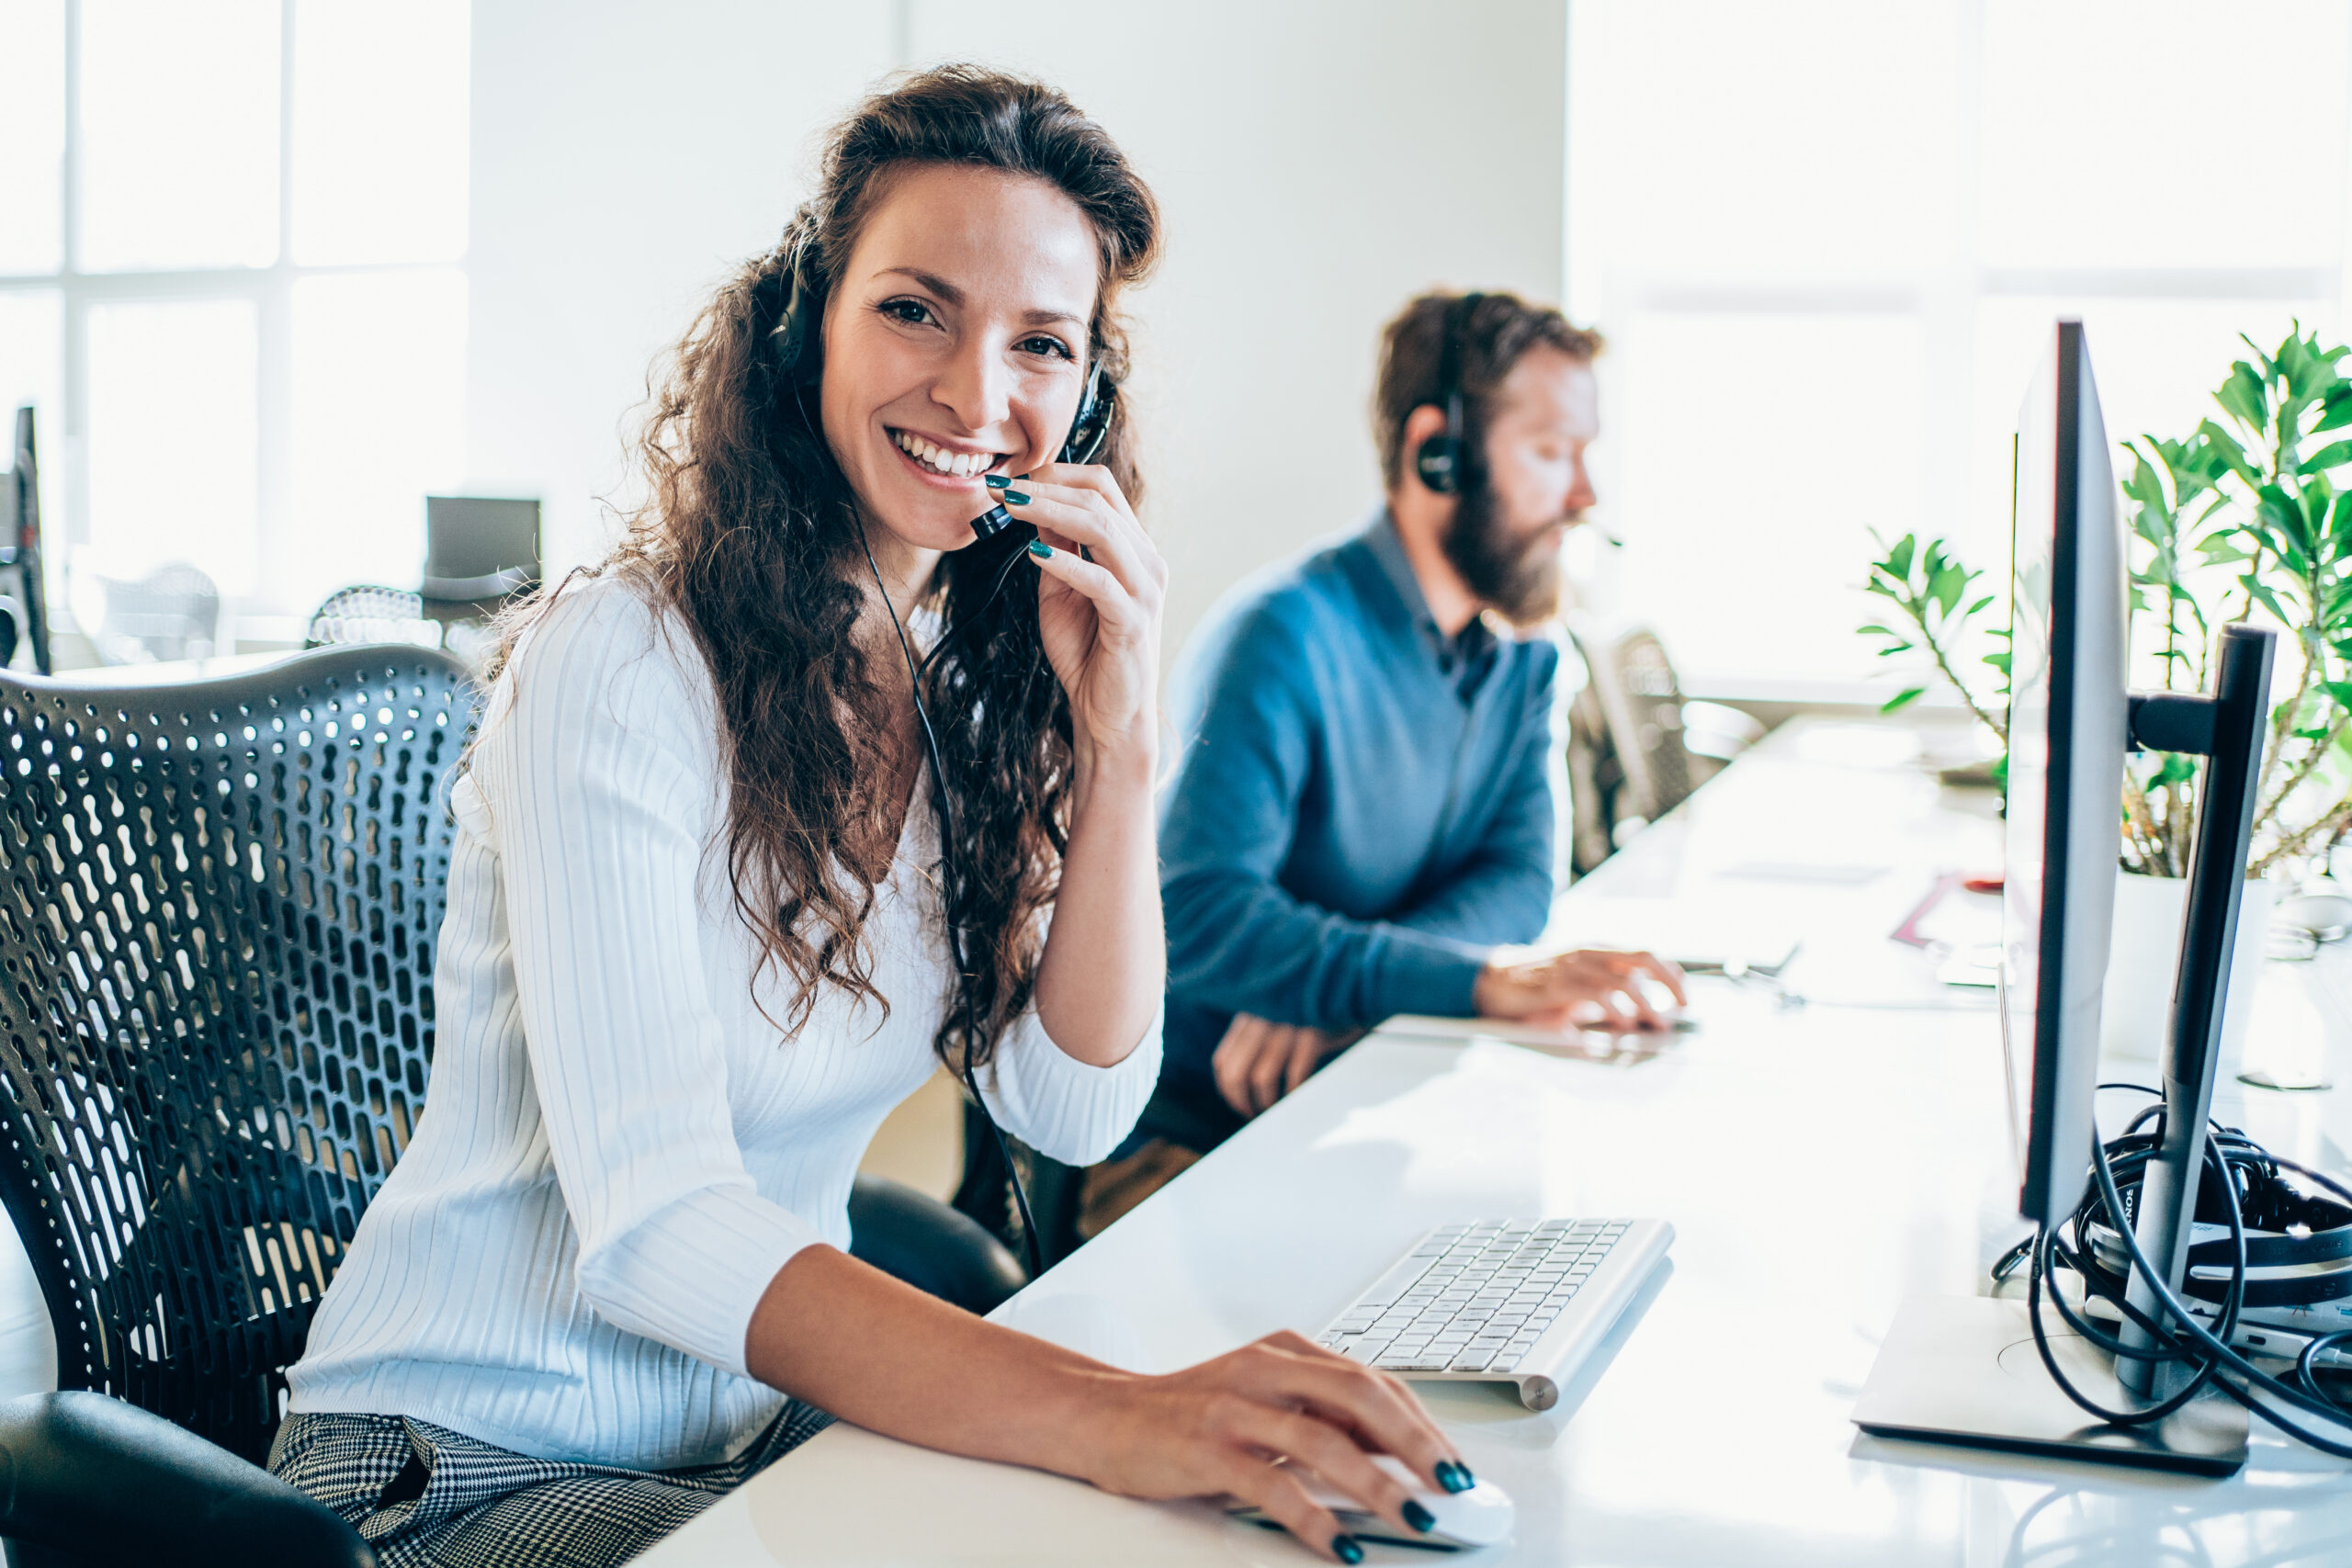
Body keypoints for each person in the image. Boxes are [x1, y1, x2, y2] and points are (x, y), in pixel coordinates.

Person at [270, 67, 1465, 1568]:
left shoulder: (966, 684)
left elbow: (1070, 1102)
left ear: (1087, 393)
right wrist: (1112, 1411)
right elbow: (660, 1227)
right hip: (452, 1471)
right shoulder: (621, 660)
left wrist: (1122, 742)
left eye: (1043, 342)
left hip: (735, 1442)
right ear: (808, 323)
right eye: (917, 309)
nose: (979, 392)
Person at [1086, 290, 1685, 1222]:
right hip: (1200, 1135)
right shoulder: (1282, 634)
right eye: (1551, 451)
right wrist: (1475, 981)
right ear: (1434, 453)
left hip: (1363, 1076)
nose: (1584, 494)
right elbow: (1196, 916)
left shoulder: (1523, 650)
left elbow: (1519, 886)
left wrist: (1335, 994)